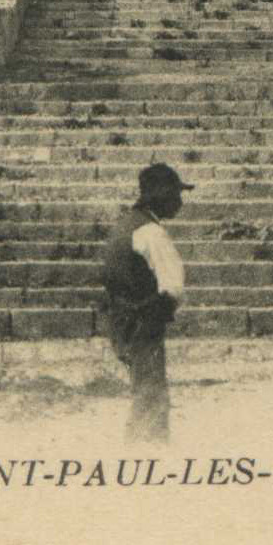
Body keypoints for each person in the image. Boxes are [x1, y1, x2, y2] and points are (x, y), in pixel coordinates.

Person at [101, 160, 191, 442]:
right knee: (151, 394)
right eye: (176, 195)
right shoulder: (151, 232)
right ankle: (147, 453)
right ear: (160, 195)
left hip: (121, 319)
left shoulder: (125, 225)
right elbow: (173, 287)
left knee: (143, 390)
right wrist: (160, 313)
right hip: (143, 321)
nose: (179, 202)